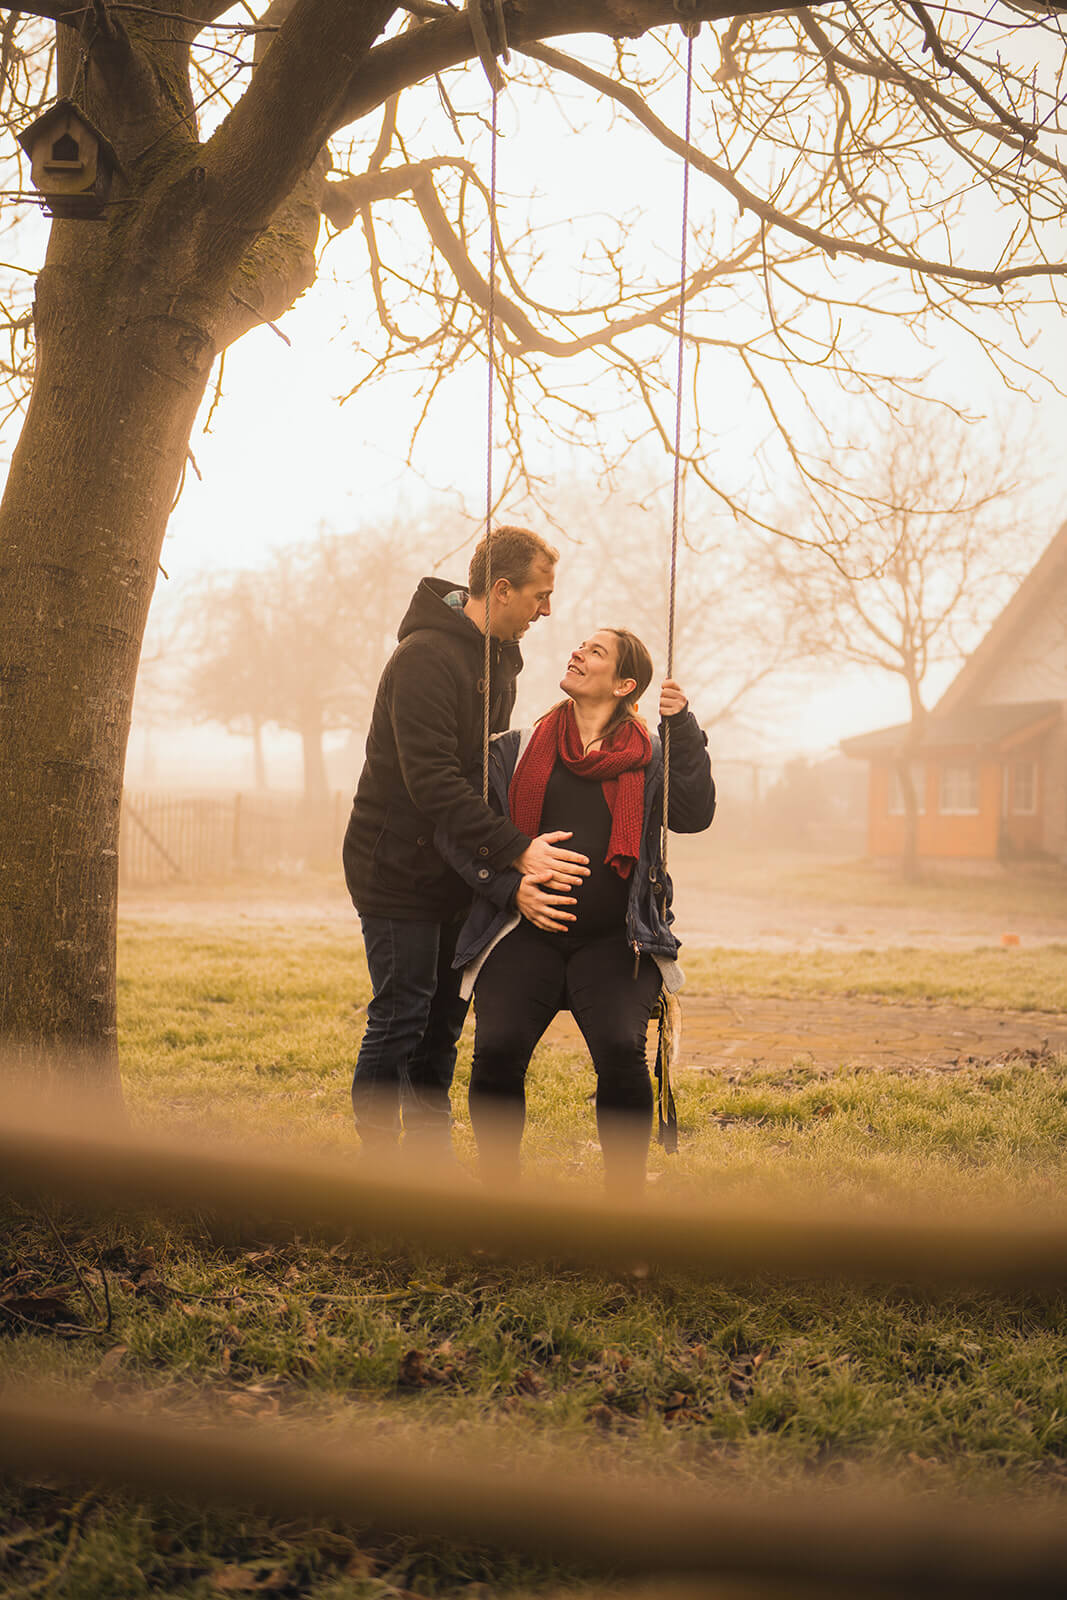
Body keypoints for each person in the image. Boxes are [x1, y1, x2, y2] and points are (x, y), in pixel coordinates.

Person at [342, 526, 590, 1159]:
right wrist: (515, 848)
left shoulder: (498, 655)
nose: (547, 610)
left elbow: (484, 772)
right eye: (540, 595)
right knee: (401, 1015)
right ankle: (376, 1168)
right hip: (395, 866)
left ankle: (429, 1160)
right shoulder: (425, 657)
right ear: (501, 589)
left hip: (457, 867)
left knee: (444, 1022)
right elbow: (433, 781)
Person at [442, 627, 715, 1196]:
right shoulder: (515, 749)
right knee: (496, 1052)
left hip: (615, 942)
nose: (577, 652)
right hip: (522, 933)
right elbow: (458, 834)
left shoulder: (649, 755)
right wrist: (507, 888)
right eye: (580, 646)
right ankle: (498, 1197)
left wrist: (683, 726)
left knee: (621, 1050)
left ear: (624, 684)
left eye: (595, 652)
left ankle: (622, 1207)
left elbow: (692, 815)